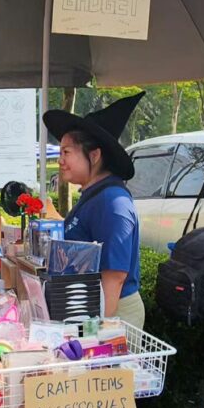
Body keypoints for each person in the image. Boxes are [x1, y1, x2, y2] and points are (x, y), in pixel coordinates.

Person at [44, 93, 145, 329]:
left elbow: (115, 276)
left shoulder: (113, 203)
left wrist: (99, 333)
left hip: (114, 312)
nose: (60, 161)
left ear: (95, 155)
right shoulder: (94, 196)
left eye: (66, 152)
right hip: (86, 307)